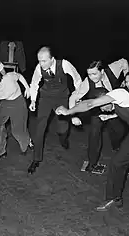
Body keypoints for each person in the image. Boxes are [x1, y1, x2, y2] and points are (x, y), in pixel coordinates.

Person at [55, 87, 129, 210]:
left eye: (101, 105)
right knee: (117, 162)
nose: (101, 109)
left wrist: (68, 111)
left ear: (105, 98)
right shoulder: (117, 102)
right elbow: (127, 111)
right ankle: (114, 198)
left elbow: (89, 104)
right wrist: (109, 117)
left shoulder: (120, 94)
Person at [28, 46, 82, 174]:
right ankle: (36, 159)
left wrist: (77, 97)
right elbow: (34, 83)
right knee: (40, 127)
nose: (41, 64)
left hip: (62, 98)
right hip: (46, 98)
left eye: (44, 61)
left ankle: (63, 138)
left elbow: (77, 79)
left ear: (52, 59)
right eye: (39, 61)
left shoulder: (64, 64)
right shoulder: (39, 67)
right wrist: (33, 100)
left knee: (62, 128)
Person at [69, 60, 129, 174]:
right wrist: (73, 116)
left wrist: (126, 78)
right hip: (97, 111)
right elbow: (73, 98)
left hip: (114, 110)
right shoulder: (87, 82)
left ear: (102, 71)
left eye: (94, 74)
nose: (91, 77)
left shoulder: (112, 70)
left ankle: (118, 147)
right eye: (89, 74)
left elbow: (124, 62)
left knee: (120, 131)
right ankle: (92, 164)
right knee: (94, 135)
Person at [0, 71, 33, 160]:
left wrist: (27, 87)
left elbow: (19, 76)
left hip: (18, 103)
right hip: (5, 104)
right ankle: (0, 152)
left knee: (17, 131)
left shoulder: (8, 78)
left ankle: (27, 142)